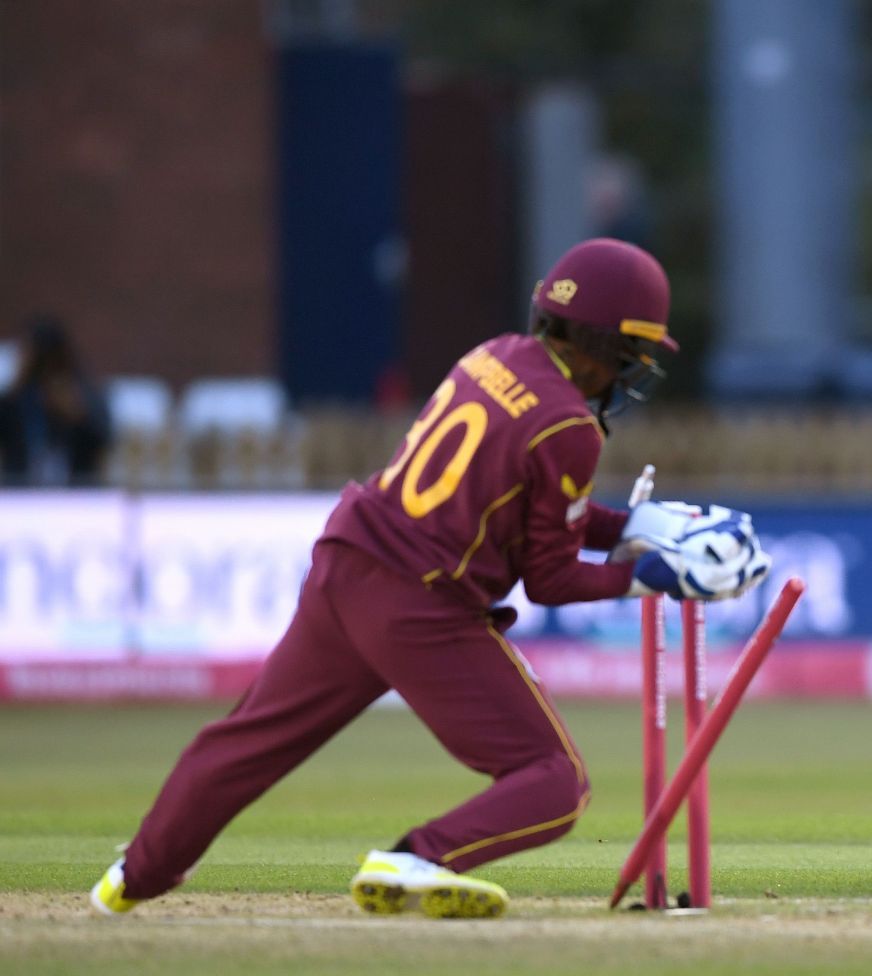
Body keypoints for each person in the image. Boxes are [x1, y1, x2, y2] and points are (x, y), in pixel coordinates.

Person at [90, 239, 770, 918]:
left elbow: (520, 497)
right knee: (556, 782)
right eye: (631, 355)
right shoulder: (570, 426)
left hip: (346, 564)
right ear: (603, 342)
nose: (629, 374)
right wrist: (652, 575)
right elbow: (550, 579)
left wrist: (630, 526)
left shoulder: (494, 353)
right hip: (421, 603)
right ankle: (419, 856)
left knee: (250, 738)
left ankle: (133, 873)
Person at [0, 316, 111, 485]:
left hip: (74, 489)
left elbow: (105, 439)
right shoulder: (15, 399)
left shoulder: (81, 393)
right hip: (20, 489)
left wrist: (77, 415)